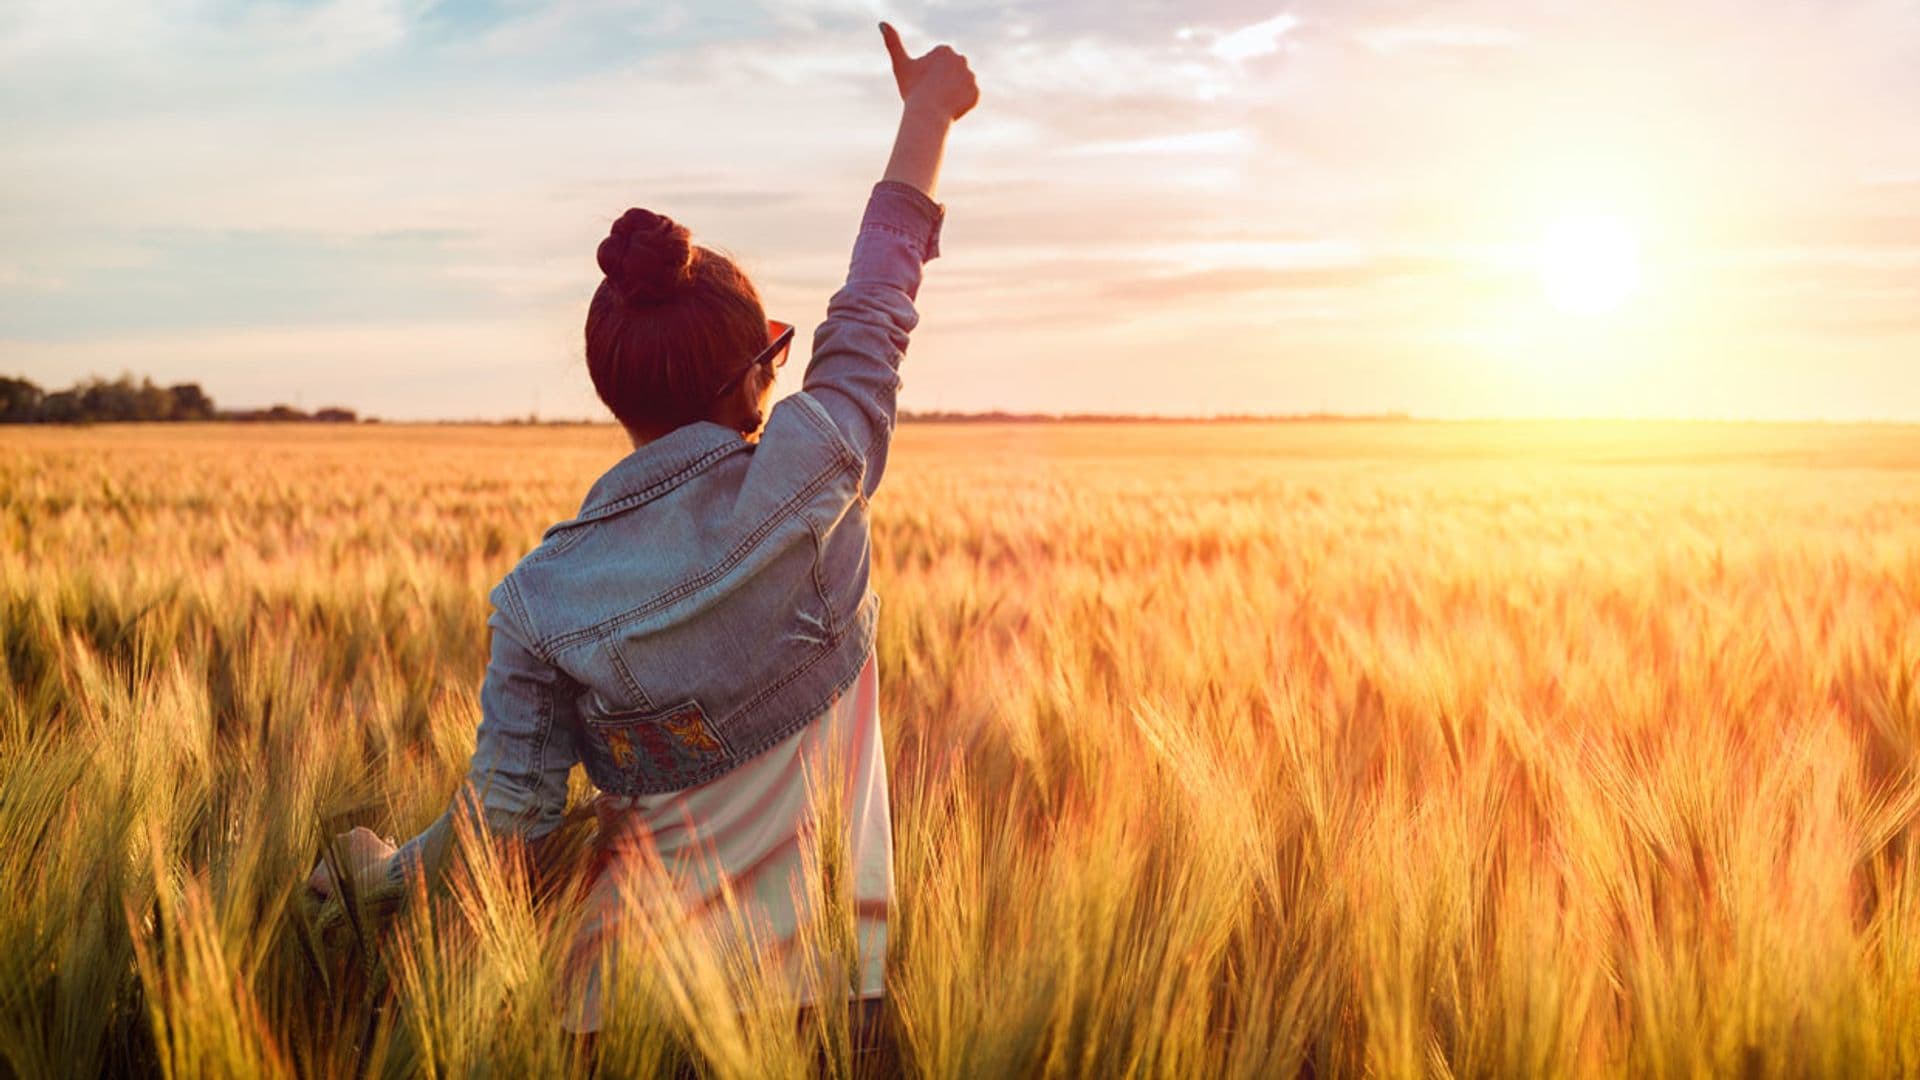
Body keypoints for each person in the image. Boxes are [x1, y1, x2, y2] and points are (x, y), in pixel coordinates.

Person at [307, 19, 978, 1061]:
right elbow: (875, 304)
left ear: (610, 389)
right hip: (828, 1004)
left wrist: (385, 875)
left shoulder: (541, 598)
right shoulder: (819, 473)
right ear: (760, 373)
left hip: (613, 1021)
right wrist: (925, 116)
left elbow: (505, 835)